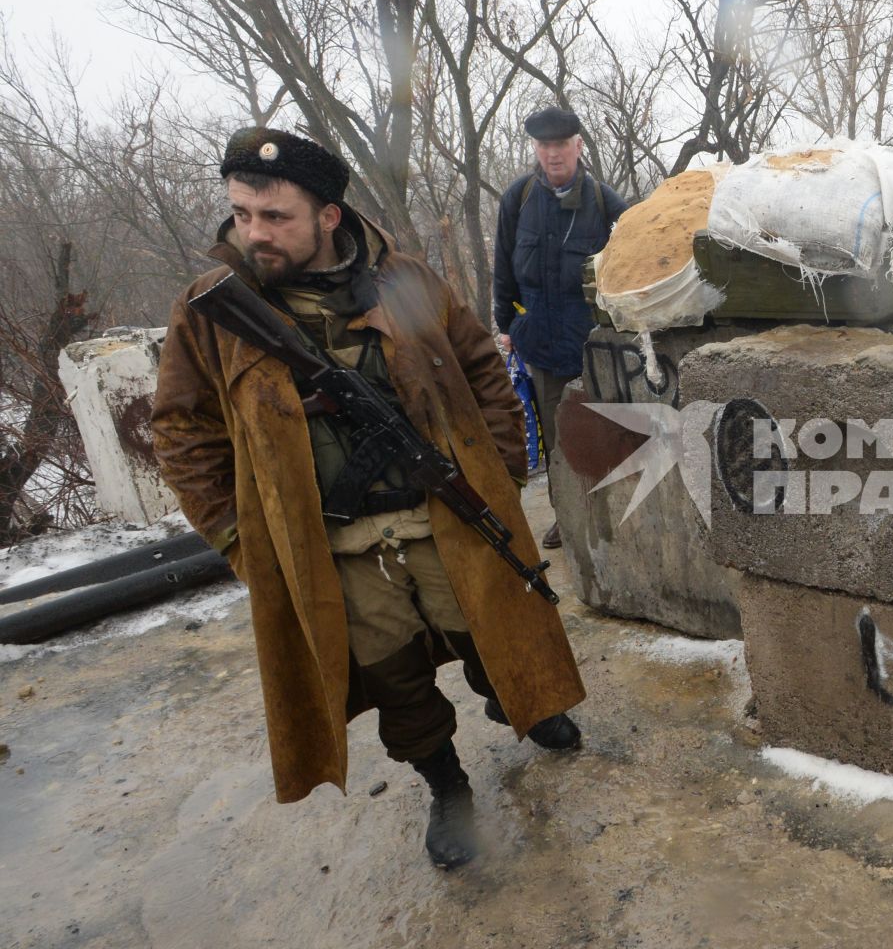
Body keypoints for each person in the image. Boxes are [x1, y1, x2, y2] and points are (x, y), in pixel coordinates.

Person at [152, 127, 588, 871]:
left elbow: (482, 366)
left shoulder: (402, 278)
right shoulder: (210, 311)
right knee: (393, 676)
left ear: (328, 216)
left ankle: (519, 701)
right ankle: (446, 786)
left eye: (275, 217)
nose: (254, 232)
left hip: (443, 512)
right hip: (333, 540)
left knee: (494, 629)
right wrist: (236, 538)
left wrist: (503, 473)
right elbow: (182, 431)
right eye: (241, 214)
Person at [493, 107, 627, 548]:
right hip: (542, 341)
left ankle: (609, 513)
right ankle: (566, 515)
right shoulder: (520, 198)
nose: (553, 154)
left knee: (603, 428)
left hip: (594, 345)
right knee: (557, 437)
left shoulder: (604, 201)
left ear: (578, 146)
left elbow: (630, 261)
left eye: (561, 144)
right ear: (536, 148)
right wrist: (507, 322)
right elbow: (503, 267)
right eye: (544, 145)